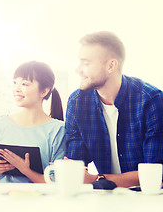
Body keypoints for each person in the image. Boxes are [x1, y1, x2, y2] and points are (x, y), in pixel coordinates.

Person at [65, 31, 163, 187]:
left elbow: (156, 173)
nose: (78, 69)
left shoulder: (151, 100)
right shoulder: (77, 102)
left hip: (147, 197)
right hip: (105, 195)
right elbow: (75, 164)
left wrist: (97, 178)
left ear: (111, 65)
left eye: (86, 63)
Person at [0, 61, 66, 183]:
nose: (16, 89)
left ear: (44, 91)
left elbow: (57, 181)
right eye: (15, 82)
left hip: (41, 200)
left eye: (24, 84)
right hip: (2, 199)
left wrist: (25, 170)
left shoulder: (58, 130)